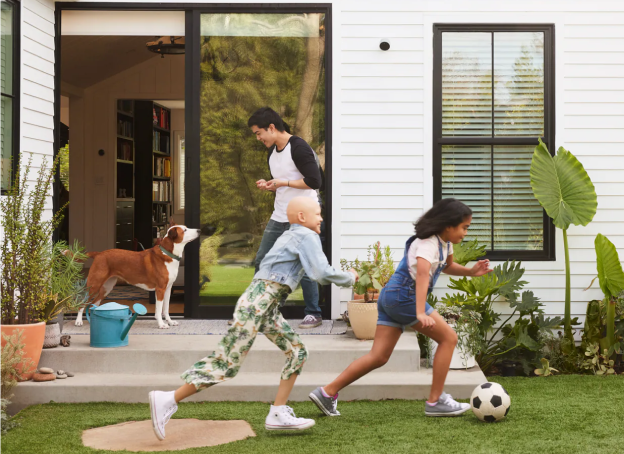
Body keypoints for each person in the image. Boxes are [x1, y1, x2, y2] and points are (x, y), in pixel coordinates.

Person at [149, 197, 357, 440]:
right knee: (226, 364)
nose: (321, 218)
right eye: (318, 213)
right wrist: (349, 277)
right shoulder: (305, 235)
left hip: (263, 304)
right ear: (302, 217)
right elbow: (320, 273)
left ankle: (278, 412)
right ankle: (167, 399)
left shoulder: (290, 236)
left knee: (297, 351)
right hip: (257, 304)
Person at [309, 198, 492, 418]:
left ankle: (327, 392)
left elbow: (449, 266)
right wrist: (420, 312)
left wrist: (471, 272)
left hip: (391, 296)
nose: (465, 232)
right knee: (449, 338)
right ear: (448, 224)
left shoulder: (445, 244)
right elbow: (423, 273)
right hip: (405, 295)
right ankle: (435, 402)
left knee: (379, 356)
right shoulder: (427, 243)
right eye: (464, 227)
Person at [248, 106, 326, 329]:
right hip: (280, 213)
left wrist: (283, 183)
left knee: (306, 263)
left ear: (271, 128)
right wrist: (272, 185)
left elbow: (315, 181)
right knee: (263, 259)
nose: (258, 137)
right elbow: (285, 183)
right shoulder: (272, 152)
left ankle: (313, 313)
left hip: (304, 214)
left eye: (258, 132)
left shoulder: (298, 148)